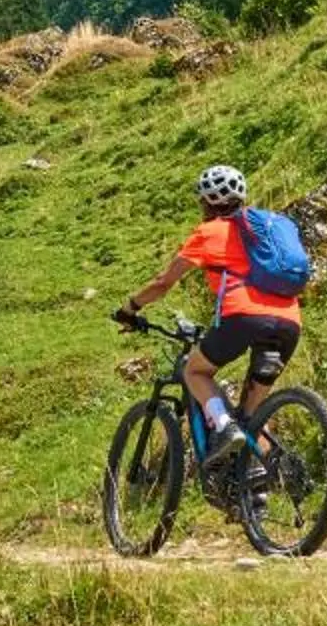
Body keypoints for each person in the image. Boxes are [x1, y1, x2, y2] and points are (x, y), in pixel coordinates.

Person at [118, 164, 301, 477]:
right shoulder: (265, 228)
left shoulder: (210, 232)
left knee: (195, 370)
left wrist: (130, 308)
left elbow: (164, 283)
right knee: (254, 413)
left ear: (206, 201)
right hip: (288, 322)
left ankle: (225, 425)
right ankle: (260, 489)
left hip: (243, 317)